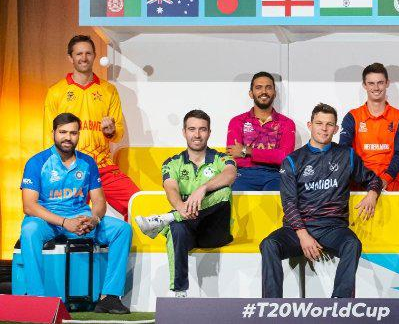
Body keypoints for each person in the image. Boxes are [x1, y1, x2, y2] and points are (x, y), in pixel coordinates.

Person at [260, 104, 383, 298]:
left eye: (329, 124)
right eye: (319, 123)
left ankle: (340, 303)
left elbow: (373, 179)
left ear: (336, 128)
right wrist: (303, 236)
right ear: (310, 125)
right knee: (269, 245)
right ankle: (272, 304)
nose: (324, 129)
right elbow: (289, 204)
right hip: (297, 229)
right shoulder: (292, 160)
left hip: (332, 227)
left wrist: (373, 193)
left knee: (352, 244)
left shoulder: (347, 155)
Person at [20, 113, 131, 313]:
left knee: (122, 229)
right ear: (53, 133)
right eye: (63, 132)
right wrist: (64, 222)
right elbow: (29, 206)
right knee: (29, 230)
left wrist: (94, 219)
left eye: (73, 133)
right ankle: (37, 299)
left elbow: (99, 201)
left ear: (79, 135)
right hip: (47, 220)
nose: (68, 137)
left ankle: (110, 296)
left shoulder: (88, 162)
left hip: (81, 218)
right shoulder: (37, 162)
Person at [134, 110, 237, 297]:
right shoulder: (172, 163)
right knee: (176, 229)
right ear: (184, 132)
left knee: (224, 192)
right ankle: (180, 292)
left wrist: (203, 188)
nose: (197, 134)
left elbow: (230, 174)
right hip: (188, 225)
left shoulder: (222, 158)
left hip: (214, 231)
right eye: (192, 129)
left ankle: (166, 218)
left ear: (209, 132)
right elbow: (171, 189)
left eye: (202, 129)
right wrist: (181, 208)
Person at [43, 35, 139, 217]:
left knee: (138, 205)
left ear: (94, 56)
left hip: (102, 167)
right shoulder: (56, 92)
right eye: (79, 54)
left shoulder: (108, 90)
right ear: (70, 58)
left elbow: (118, 133)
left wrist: (111, 132)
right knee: (62, 218)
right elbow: (49, 135)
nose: (84, 58)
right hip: (70, 167)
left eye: (88, 53)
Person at [340, 62, 399, 191]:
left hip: (390, 186)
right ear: (364, 85)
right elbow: (344, 151)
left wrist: (385, 179)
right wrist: (365, 180)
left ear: (387, 83)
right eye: (371, 83)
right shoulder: (352, 117)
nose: (376, 88)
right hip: (359, 186)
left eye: (380, 83)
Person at [226, 71, 297, 191]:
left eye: (268, 87)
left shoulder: (287, 123)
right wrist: (271, 156)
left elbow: (284, 157)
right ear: (251, 93)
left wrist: (247, 151)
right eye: (258, 87)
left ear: (274, 93)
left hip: (275, 175)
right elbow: (234, 156)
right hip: (244, 174)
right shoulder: (237, 121)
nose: (264, 91)